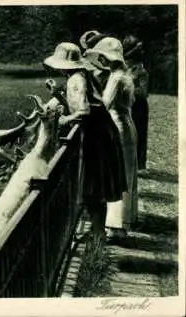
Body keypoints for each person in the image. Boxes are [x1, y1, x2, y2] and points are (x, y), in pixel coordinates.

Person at [43, 42, 128, 238]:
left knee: (93, 187)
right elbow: (82, 105)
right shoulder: (83, 76)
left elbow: (83, 111)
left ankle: (97, 235)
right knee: (95, 187)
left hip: (97, 136)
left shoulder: (76, 80)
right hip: (103, 132)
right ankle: (96, 233)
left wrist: (64, 119)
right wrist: (56, 93)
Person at [85, 37, 138, 240]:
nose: (101, 60)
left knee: (118, 174)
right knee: (126, 171)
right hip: (127, 124)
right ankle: (122, 222)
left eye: (103, 56)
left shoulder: (115, 78)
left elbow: (105, 105)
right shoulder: (124, 75)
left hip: (118, 127)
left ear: (109, 58)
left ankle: (116, 226)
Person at [123, 35, 150, 172]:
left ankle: (139, 164)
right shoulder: (122, 68)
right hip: (125, 104)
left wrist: (129, 86)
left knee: (139, 132)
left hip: (138, 106)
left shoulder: (141, 71)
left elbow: (143, 92)